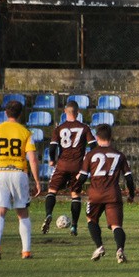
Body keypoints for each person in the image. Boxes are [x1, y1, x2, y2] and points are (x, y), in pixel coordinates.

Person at [0, 100, 41, 260]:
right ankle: (26, 251)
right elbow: (33, 160)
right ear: (20, 114)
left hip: (0, 172)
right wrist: (36, 181)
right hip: (18, 173)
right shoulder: (25, 132)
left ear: (5, 113)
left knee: (0, 211)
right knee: (22, 212)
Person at [76, 123, 135, 263]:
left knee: (91, 219)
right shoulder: (119, 155)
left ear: (97, 137)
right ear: (111, 137)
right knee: (116, 226)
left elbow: (83, 177)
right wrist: (131, 194)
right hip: (113, 194)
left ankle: (99, 246)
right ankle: (120, 249)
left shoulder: (90, 155)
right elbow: (129, 178)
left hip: (95, 194)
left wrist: (75, 187)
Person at [41, 100, 96, 236]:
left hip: (62, 165)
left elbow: (53, 147)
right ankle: (74, 227)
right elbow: (94, 146)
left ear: (65, 111)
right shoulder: (84, 127)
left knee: (52, 190)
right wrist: (87, 161)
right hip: (77, 167)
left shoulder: (59, 128)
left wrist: (52, 160)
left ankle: (48, 214)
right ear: (78, 113)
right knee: (75, 195)